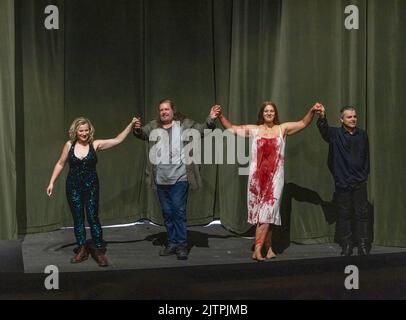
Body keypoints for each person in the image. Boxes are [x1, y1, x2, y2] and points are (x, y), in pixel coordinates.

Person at [216, 101, 322, 261]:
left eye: (272, 111)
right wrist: (221, 116)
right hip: (257, 180)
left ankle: (257, 250)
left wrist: (312, 110)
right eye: (266, 111)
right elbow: (231, 128)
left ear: (275, 113)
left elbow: (302, 123)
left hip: (274, 180)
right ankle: (269, 248)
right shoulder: (255, 129)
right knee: (263, 215)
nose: (269, 113)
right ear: (262, 113)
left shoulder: (282, 129)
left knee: (266, 213)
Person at [133, 98, 220, 260]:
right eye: (161, 110)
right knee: (167, 212)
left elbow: (202, 130)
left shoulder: (185, 125)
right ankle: (172, 243)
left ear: (173, 111)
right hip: (161, 178)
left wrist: (211, 118)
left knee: (178, 211)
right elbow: (142, 134)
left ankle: (181, 244)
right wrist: (137, 128)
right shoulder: (153, 126)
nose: (164, 112)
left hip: (180, 177)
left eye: (166, 109)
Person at [46, 116, 137, 266]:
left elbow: (118, 140)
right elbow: (60, 164)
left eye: (86, 130)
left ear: (90, 130)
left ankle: (98, 250)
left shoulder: (95, 145)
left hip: (91, 187)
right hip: (73, 187)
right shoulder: (69, 145)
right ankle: (82, 249)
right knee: (78, 218)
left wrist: (131, 124)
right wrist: (51, 182)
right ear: (75, 131)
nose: (84, 133)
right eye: (81, 130)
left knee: (93, 217)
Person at [316, 105, 371, 256]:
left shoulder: (362, 135)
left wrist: (364, 174)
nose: (353, 119)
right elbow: (324, 130)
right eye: (349, 117)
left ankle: (363, 245)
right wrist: (321, 117)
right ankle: (346, 245)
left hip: (359, 182)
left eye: (354, 116)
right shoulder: (335, 134)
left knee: (362, 214)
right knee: (344, 215)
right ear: (342, 119)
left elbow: (366, 157)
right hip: (343, 182)